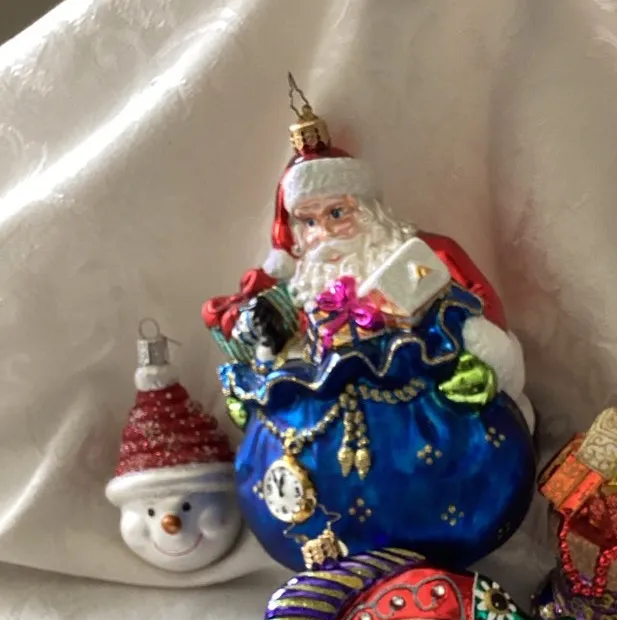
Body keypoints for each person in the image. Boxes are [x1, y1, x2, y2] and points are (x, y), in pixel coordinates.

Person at [202, 79, 536, 571]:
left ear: (371, 212)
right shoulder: (296, 293)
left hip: (430, 454)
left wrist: (476, 361)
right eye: (309, 222)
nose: (324, 233)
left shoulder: (419, 262)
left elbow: (473, 324)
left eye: (337, 213)